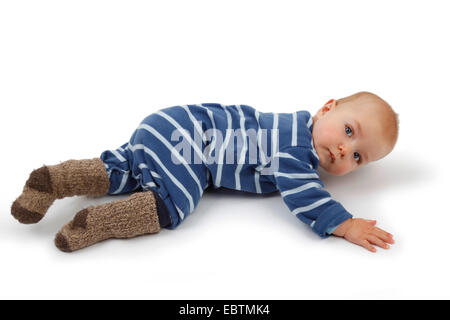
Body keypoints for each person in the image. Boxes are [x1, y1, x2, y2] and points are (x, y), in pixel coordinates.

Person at [11, 91, 398, 253]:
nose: (345, 150)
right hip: (190, 143)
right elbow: (304, 195)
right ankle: (95, 223)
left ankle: (51, 181)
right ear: (327, 107)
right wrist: (344, 224)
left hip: (168, 125)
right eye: (349, 131)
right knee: (175, 201)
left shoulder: (281, 125)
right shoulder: (294, 149)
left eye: (359, 157)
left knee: (127, 167)